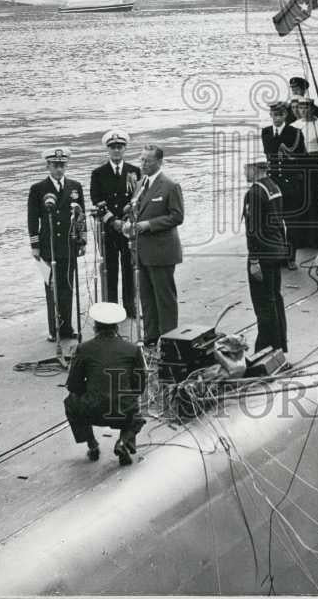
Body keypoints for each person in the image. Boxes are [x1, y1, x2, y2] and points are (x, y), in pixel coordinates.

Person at [64, 302, 147, 466]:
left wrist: (91, 390)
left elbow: (73, 385)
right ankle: (124, 442)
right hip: (122, 412)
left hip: (92, 410)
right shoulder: (133, 350)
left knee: (70, 403)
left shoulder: (83, 348)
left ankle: (92, 444)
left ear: (95, 327)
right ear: (117, 328)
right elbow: (139, 387)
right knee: (136, 413)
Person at [125, 144, 184, 347]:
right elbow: (136, 209)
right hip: (141, 251)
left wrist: (149, 224)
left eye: (147, 161)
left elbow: (177, 216)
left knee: (164, 299)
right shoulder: (141, 184)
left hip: (162, 251)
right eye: (141, 159)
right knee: (147, 297)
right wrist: (129, 220)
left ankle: (169, 340)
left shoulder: (170, 185)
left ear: (159, 162)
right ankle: (151, 337)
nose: (142, 164)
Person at [27, 147, 86, 340]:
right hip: (48, 245)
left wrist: (82, 239)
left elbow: (81, 216)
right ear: (48, 166)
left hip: (69, 245)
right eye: (55, 165)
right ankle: (55, 330)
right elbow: (32, 219)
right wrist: (34, 245)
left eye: (62, 165)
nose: (59, 169)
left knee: (68, 286)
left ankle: (67, 327)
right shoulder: (38, 189)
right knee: (52, 288)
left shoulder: (75, 186)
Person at [90, 127, 141, 316]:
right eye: (113, 147)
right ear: (108, 150)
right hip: (108, 230)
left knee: (129, 268)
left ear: (125, 148)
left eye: (120, 147)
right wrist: (113, 221)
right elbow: (97, 201)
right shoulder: (98, 173)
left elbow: (138, 198)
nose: (117, 150)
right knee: (110, 271)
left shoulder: (134, 171)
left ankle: (130, 307)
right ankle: (111, 310)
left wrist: (127, 220)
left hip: (128, 228)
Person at [242, 159, 288, 353]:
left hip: (262, 254)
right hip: (276, 250)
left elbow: (253, 231)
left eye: (246, 168)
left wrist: (253, 261)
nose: (244, 172)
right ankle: (280, 345)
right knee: (275, 299)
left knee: (263, 304)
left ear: (255, 168)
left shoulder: (254, 193)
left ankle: (266, 348)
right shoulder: (273, 187)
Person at [261, 101, 306, 270]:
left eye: (280, 115)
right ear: (271, 115)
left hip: (289, 183)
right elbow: (269, 154)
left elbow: (301, 157)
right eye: (274, 115)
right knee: (275, 222)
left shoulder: (294, 133)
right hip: (273, 183)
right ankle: (278, 254)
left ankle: (290, 257)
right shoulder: (266, 132)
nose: (277, 118)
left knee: (292, 222)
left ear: (286, 115)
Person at [289, 97, 318, 254]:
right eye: (301, 108)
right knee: (299, 202)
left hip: (313, 164)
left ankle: (316, 239)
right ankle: (300, 239)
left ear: (312, 108)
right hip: (298, 165)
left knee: (314, 202)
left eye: (306, 108)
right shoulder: (293, 126)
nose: (303, 111)